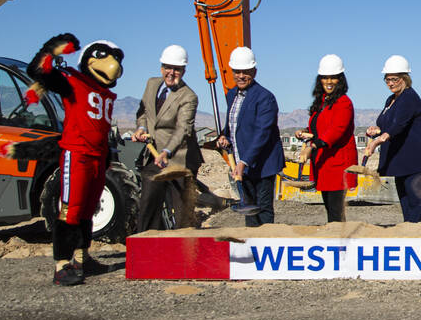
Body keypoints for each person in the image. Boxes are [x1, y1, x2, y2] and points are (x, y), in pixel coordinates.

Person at [22, 35, 124, 285]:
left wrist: (107, 154)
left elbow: (100, 126)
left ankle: (81, 256)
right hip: (77, 154)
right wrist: (52, 49)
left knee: (89, 209)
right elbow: (37, 72)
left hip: (97, 157)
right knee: (71, 209)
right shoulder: (72, 82)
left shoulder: (104, 93)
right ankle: (61, 264)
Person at [135, 44, 202, 231]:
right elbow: (143, 112)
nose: (171, 73)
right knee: (148, 205)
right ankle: (147, 247)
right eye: (168, 68)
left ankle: (182, 253)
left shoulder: (189, 97)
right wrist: (141, 128)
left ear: (184, 70)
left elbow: (183, 129)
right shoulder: (151, 84)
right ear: (161, 68)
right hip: (154, 157)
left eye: (177, 69)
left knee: (182, 215)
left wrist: (166, 151)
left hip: (180, 159)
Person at [218, 46, 284, 227]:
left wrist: (243, 162)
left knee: (262, 209)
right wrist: (225, 136)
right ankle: (252, 246)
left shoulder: (265, 98)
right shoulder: (232, 94)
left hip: (263, 165)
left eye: (245, 72)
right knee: (249, 209)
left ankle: (265, 247)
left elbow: (262, 133)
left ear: (254, 72)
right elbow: (233, 123)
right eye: (237, 71)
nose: (240, 75)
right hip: (243, 163)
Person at [365, 55, 421, 223]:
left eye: (394, 79)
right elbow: (389, 125)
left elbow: (398, 126)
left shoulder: (409, 97)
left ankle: (416, 240)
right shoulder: (391, 100)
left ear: (405, 78)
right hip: (401, 162)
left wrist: (376, 142)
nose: (390, 83)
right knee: (405, 205)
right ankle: (409, 238)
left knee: (415, 206)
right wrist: (377, 130)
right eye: (387, 79)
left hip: (416, 162)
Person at [296, 54, 358, 223]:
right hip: (324, 163)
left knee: (336, 212)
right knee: (329, 208)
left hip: (338, 165)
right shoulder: (322, 101)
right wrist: (304, 132)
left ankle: (340, 244)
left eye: (333, 78)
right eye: (325, 77)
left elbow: (336, 130)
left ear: (340, 79)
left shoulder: (344, 103)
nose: (329, 82)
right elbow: (319, 128)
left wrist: (312, 146)